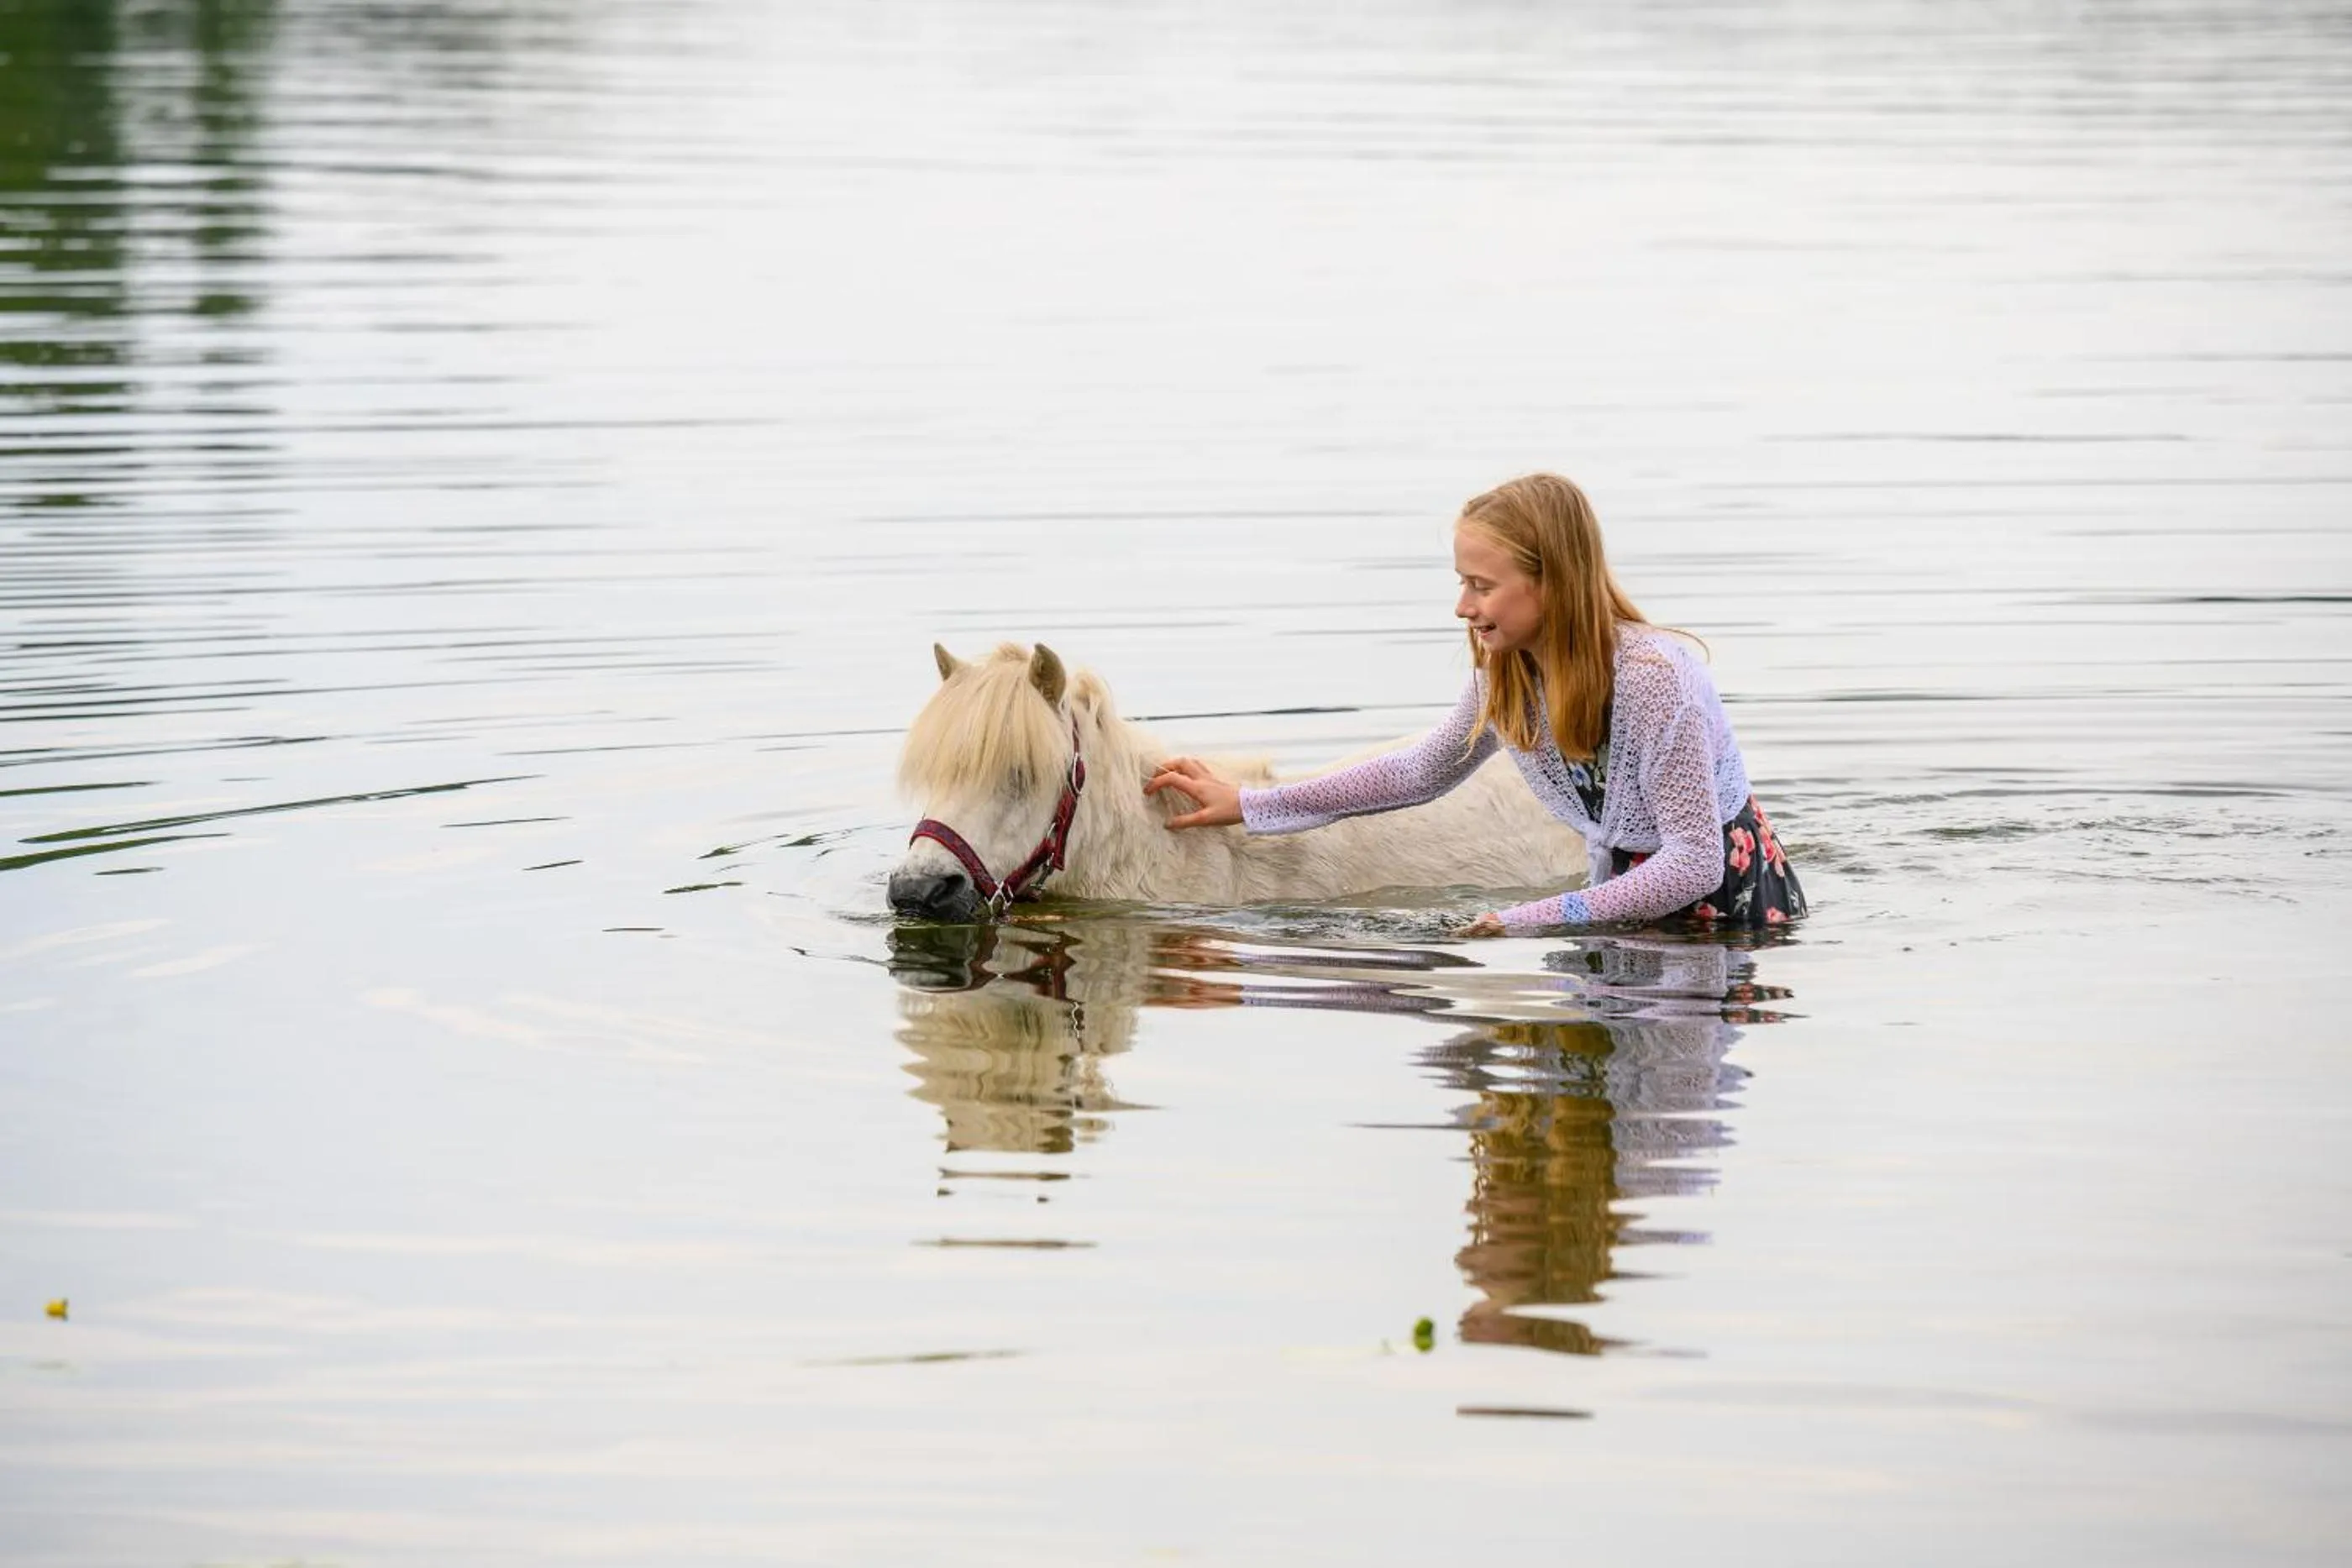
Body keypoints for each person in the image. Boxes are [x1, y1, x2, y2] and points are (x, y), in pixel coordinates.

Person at [1144, 473, 1807, 936]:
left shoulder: (1657, 679)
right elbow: (1418, 772)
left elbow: (1693, 862)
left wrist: (1533, 916)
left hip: (1723, 923)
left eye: (1481, 585)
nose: (1463, 606)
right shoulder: (1507, 673)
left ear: (1553, 584)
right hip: (1613, 904)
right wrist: (1252, 805)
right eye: (1462, 582)